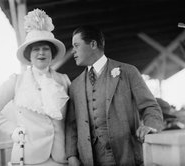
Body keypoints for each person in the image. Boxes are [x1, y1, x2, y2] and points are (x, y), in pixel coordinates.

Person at [65, 25, 164, 166]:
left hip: (127, 156)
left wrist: (150, 125)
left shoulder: (128, 72)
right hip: (89, 160)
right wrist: (72, 156)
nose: (73, 51)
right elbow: (71, 126)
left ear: (93, 44)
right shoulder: (74, 85)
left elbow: (150, 106)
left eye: (76, 45)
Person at [0, 9, 70, 166]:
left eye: (45, 48)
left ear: (52, 53)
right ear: (29, 55)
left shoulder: (63, 80)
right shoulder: (17, 81)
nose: (41, 53)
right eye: (36, 49)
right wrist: (13, 130)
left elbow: (73, 119)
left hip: (60, 157)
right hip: (28, 157)